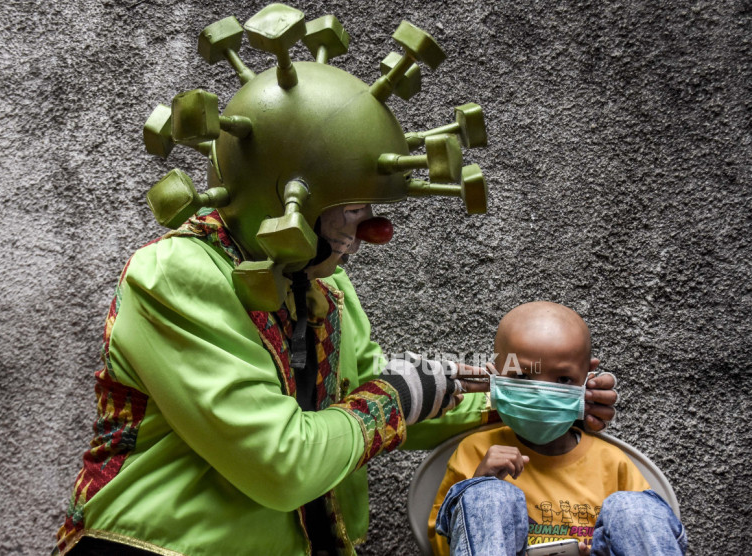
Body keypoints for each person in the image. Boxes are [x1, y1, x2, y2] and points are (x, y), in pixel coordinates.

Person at [53, 7, 620, 555]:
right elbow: (283, 464)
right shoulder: (174, 276)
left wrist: (530, 398)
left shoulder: (324, 286)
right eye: (352, 212)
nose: (374, 232)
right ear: (289, 201)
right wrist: (399, 395)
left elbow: (362, 397)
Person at [429, 301, 687, 556]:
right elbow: (439, 542)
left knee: (635, 508)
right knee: (486, 495)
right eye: (522, 376)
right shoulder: (477, 451)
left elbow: (645, 531)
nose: (541, 394)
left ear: (588, 379)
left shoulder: (611, 462)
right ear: (494, 374)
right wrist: (478, 486)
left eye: (563, 379)